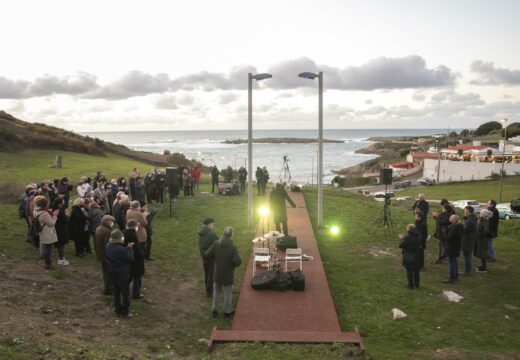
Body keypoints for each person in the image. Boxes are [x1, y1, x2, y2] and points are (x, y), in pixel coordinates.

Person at [205, 226, 241, 318]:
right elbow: (238, 262)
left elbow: (207, 254)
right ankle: (227, 312)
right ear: (231, 235)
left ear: (223, 233)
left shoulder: (216, 244)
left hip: (217, 273)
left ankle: (214, 310)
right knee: (228, 293)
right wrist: (233, 263)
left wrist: (216, 259)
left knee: (216, 291)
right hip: (228, 274)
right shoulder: (233, 247)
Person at [105, 229, 134, 318]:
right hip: (122, 273)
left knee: (116, 292)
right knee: (125, 293)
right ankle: (125, 312)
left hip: (113, 272)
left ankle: (118, 310)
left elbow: (118, 255)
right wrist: (129, 249)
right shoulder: (121, 249)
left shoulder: (108, 246)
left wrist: (126, 249)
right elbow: (130, 258)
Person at [34, 196, 59, 269]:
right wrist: (54, 216)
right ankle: (48, 263)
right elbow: (51, 224)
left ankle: (42, 256)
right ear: (45, 204)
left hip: (42, 231)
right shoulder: (45, 214)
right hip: (47, 232)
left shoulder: (37, 211)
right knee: (48, 248)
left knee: (43, 244)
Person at [124, 219, 145, 299]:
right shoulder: (133, 235)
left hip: (128, 259)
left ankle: (124, 290)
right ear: (134, 226)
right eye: (136, 226)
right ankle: (136, 293)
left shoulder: (124, 232)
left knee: (128, 277)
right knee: (137, 278)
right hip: (135, 260)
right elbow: (136, 250)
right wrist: (142, 254)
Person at [198, 217, 219, 297]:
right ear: (209, 224)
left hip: (204, 256)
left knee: (206, 273)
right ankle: (210, 291)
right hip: (210, 256)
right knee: (211, 274)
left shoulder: (201, 232)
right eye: (213, 224)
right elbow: (219, 241)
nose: (213, 225)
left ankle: (207, 288)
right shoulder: (212, 234)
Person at [95, 215, 115, 295]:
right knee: (109, 273)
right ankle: (108, 289)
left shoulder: (99, 228)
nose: (112, 223)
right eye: (111, 221)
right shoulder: (107, 231)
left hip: (100, 253)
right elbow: (108, 244)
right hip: (106, 255)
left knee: (105, 272)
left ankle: (108, 287)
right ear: (107, 221)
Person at [399, 224, 422, 289]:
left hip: (409, 256)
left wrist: (401, 239)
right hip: (417, 255)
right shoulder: (419, 235)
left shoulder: (407, 237)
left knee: (409, 271)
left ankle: (410, 285)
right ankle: (417, 285)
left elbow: (401, 245)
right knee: (416, 271)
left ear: (409, 229)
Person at [433, 199, 455, 264]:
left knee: (442, 245)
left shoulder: (449, 215)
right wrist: (435, 216)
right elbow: (439, 220)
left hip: (444, 233)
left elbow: (442, 222)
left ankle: (441, 257)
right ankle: (444, 256)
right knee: (443, 245)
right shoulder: (444, 213)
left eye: (443, 208)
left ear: (446, 209)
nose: (442, 209)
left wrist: (437, 216)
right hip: (441, 232)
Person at [444, 214, 463, 283]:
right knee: (454, 262)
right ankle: (455, 276)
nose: (449, 219)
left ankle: (452, 278)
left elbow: (449, 238)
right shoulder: (458, 226)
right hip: (455, 247)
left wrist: (445, 232)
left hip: (452, 247)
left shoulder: (454, 228)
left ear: (454, 220)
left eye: (450, 218)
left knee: (452, 263)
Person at [52, 197, 70, 266]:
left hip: (57, 228)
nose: (64, 202)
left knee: (60, 244)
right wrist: (67, 214)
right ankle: (61, 259)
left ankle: (61, 257)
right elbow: (65, 220)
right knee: (61, 245)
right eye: (63, 201)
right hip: (61, 229)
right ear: (60, 203)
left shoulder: (55, 209)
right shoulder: (60, 211)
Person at [461, 206, 478, 275]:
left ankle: (467, 271)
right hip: (471, 239)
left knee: (467, 256)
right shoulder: (473, 218)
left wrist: (460, 226)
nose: (464, 212)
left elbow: (464, 230)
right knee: (468, 255)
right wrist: (465, 218)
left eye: (465, 211)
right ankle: (468, 270)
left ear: (468, 211)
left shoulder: (469, 221)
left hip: (467, 240)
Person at [475, 209, 491, 273]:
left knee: (483, 253)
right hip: (481, 239)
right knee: (481, 253)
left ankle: (484, 268)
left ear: (483, 214)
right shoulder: (482, 220)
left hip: (483, 240)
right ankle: (482, 266)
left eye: (480, 213)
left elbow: (486, 231)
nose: (479, 214)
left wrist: (478, 234)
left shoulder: (485, 221)